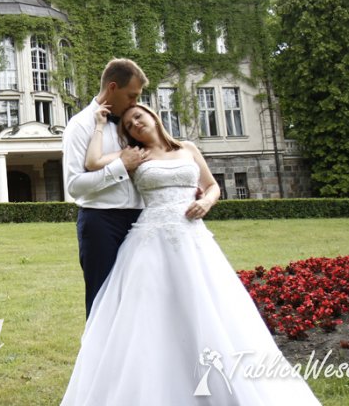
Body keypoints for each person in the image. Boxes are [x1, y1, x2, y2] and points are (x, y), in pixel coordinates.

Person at [61, 103, 321, 405]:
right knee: (150, 312)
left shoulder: (188, 148)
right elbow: (92, 162)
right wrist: (97, 124)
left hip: (193, 239)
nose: (135, 125)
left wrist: (206, 203)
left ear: (153, 116)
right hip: (151, 239)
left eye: (138, 117)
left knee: (207, 304)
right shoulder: (136, 156)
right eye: (129, 125)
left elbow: (211, 186)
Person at [62, 58, 149, 318]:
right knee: (103, 303)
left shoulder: (135, 122)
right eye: (131, 96)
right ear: (112, 87)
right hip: (101, 223)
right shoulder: (79, 126)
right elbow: (74, 185)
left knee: (143, 301)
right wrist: (120, 168)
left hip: (143, 221)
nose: (135, 103)